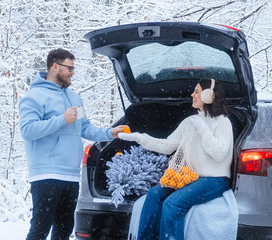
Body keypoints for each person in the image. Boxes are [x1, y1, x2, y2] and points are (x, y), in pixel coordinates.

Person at [19, 48, 125, 240]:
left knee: (64, 231)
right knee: (39, 231)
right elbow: (27, 130)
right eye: (69, 68)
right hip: (46, 174)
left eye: (73, 68)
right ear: (54, 66)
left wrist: (110, 133)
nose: (73, 72)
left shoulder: (74, 98)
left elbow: (85, 128)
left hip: (70, 175)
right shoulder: (34, 96)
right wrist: (61, 119)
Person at [118, 78, 233, 240]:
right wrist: (140, 138)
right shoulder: (189, 122)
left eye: (197, 91)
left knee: (173, 204)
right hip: (190, 176)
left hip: (214, 179)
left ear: (209, 95)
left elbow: (219, 153)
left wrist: (203, 130)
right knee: (153, 195)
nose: (192, 94)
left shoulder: (222, 122)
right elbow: (167, 146)